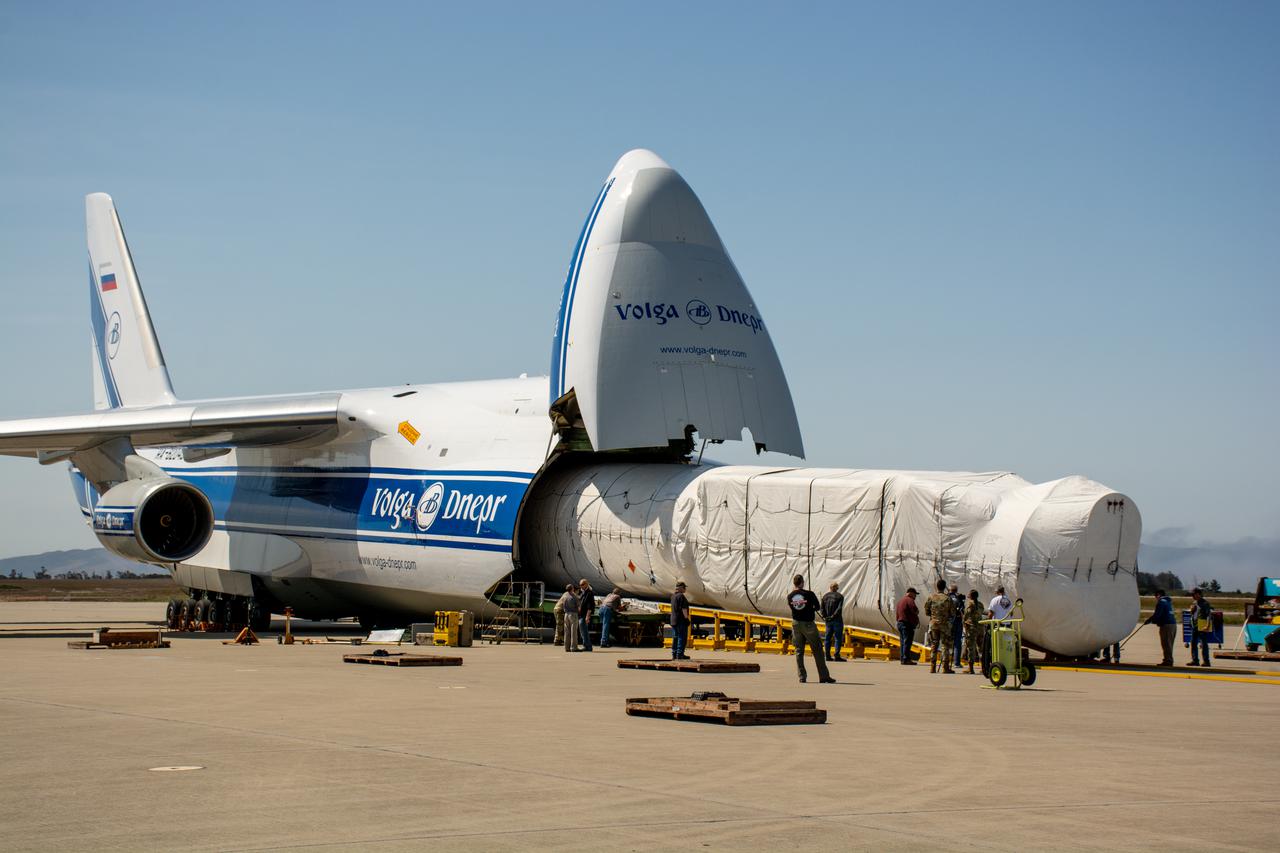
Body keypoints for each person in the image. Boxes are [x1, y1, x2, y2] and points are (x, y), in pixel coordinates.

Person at [787, 574, 835, 683]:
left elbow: (793, 608)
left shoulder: (790, 596)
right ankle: (823, 676)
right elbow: (817, 607)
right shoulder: (809, 594)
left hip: (796, 624)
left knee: (799, 650)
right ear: (802, 582)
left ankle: (802, 676)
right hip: (808, 624)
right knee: (817, 649)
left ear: (794, 583)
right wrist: (810, 607)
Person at [924, 579, 956, 674]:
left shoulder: (931, 597)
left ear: (936, 586)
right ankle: (945, 668)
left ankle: (932, 667)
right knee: (945, 646)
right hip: (944, 625)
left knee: (934, 645)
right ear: (944, 587)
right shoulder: (948, 598)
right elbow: (952, 613)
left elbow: (926, 611)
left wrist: (933, 616)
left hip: (933, 624)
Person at [820, 582, 846, 662]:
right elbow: (839, 609)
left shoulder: (825, 596)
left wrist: (825, 617)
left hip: (828, 621)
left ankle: (827, 656)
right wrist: (833, 616)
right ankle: (836, 655)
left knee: (827, 638)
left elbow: (822, 609)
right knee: (838, 638)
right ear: (837, 588)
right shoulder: (840, 596)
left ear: (830, 588)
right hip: (837, 620)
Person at [1188, 587, 1213, 667]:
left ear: (1198, 594)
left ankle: (1206, 661)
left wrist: (1207, 625)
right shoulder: (1195, 603)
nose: (1192, 596)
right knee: (1193, 643)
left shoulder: (1205, 603)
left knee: (1203, 644)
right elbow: (1193, 614)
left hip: (1202, 625)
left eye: (1194, 594)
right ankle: (1195, 660)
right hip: (1195, 625)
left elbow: (1208, 615)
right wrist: (1192, 611)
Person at [895, 588, 920, 665]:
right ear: (911, 593)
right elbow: (914, 610)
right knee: (907, 641)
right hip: (906, 624)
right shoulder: (910, 600)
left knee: (903, 642)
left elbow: (897, 613)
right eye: (915, 594)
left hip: (900, 622)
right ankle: (906, 659)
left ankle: (903, 658)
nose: (915, 596)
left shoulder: (900, 601)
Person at [962, 589, 984, 674]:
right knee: (980, 648)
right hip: (980, 628)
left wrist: (964, 623)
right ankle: (983, 667)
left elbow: (965, 616)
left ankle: (971, 669)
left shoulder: (969, 604)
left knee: (971, 648)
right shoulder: (981, 604)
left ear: (970, 596)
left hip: (972, 628)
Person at [670, 581, 691, 660]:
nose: (685, 589)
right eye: (684, 587)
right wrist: (686, 619)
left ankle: (674, 654)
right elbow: (684, 609)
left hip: (673, 620)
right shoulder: (681, 596)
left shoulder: (673, 596)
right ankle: (680, 654)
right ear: (681, 588)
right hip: (680, 620)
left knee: (675, 637)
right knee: (681, 637)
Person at [558, 584, 580, 652]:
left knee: (566, 631)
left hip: (566, 615)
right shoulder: (574, 596)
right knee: (573, 632)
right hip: (573, 614)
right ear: (572, 589)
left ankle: (566, 647)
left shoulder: (565, 596)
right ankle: (574, 647)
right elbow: (579, 607)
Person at [576, 579, 595, 652]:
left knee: (584, 631)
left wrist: (587, 617)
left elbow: (590, 606)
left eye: (582, 584)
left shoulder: (589, 593)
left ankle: (587, 646)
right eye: (580, 584)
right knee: (583, 631)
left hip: (584, 615)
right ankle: (587, 646)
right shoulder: (583, 592)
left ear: (586, 584)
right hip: (581, 615)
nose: (581, 586)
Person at [948, 583, 964, 669]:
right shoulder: (959, 598)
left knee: (946, 642)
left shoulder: (946, 597)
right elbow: (962, 610)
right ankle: (957, 663)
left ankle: (945, 662)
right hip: (957, 621)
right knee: (957, 642)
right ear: (956, 590)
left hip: (947, 622)